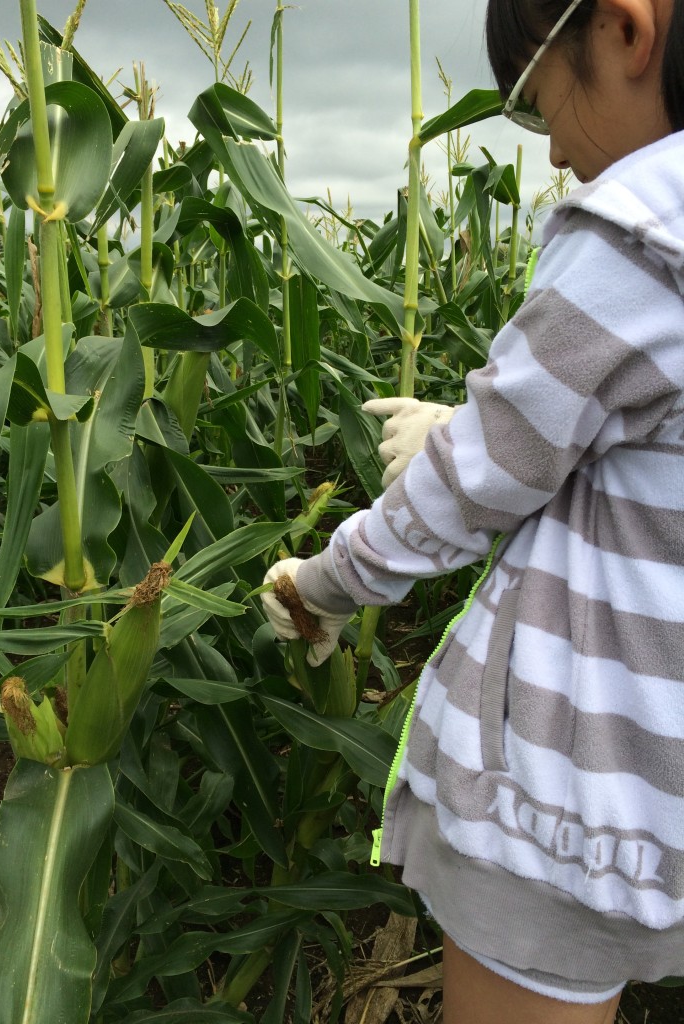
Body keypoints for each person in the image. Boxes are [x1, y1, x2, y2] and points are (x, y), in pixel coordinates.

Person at [261, 1, 684, 1021]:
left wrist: (323, 584)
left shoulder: (636, 238)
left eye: (543, 109)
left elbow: (470, 488)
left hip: (566, 806)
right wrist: (475, 421)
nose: (555, 163)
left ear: (628, 31)